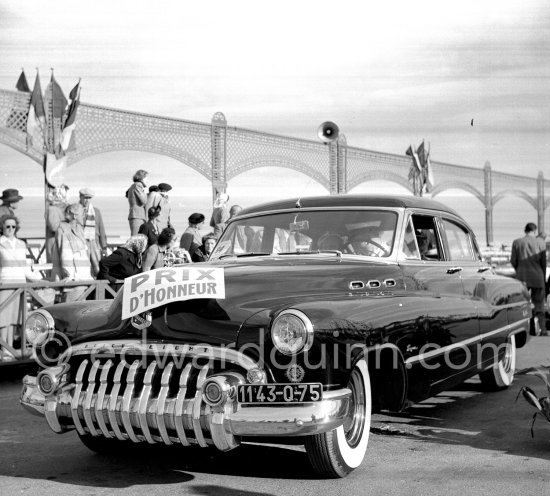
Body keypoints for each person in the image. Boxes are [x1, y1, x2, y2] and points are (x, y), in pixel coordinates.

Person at [0, 214, 41, 360]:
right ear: (2, 227)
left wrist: (38, 279)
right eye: (7, 226)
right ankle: (5, 349)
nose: (10, 229)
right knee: (4, 318)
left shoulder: (21, 244)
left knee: (17, 317)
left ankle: (14, 349)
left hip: (20, 282)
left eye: (13, 226)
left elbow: (25, 268)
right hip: (5, 283)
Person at [511, 222, 547, 335]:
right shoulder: (541, 242)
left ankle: (524, 331)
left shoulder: (517, 242)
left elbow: (513, 260)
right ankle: (543, 330)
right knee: (539, 304)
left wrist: (519, 270)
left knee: (522, 304)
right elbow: (543, 262)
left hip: (522, 277)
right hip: (538, 277)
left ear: (525, 230)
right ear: (535, 231)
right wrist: (543, 276)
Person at [53, 203, 92, 302]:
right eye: (82, 214)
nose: (84, 216)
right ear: (74, 215)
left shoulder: (79, 230)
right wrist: (71, 277)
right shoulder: (63, 230)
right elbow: (65, 255)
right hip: (74, 282)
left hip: (84, 279)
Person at [79, 188, 108, 277]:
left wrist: (104, 247)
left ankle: (100, 285)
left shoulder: (96, 211)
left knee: (97, 266)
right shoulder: (76, 210)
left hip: (94, 242)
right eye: (85, 198)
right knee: (84, 267)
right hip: (82, 243)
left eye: (89, 198)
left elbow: (101, 229)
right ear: (80, 197)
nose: (87, 200)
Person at [45, 183, 69, 280]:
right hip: (54, 242)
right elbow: (54, 226)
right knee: (56, 267)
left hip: (59, 241)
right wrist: (67, 223)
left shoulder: (61, 209)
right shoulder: (52, 209)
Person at [126, 169, 148, 235]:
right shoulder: (138, 185)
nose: (147, 180)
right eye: (146, 177)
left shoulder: (134, 186)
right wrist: (146, 193)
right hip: (137, 215)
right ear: (142, 177)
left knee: (137, 237)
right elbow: (144, 201)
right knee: (136, 237)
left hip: (136, 215)